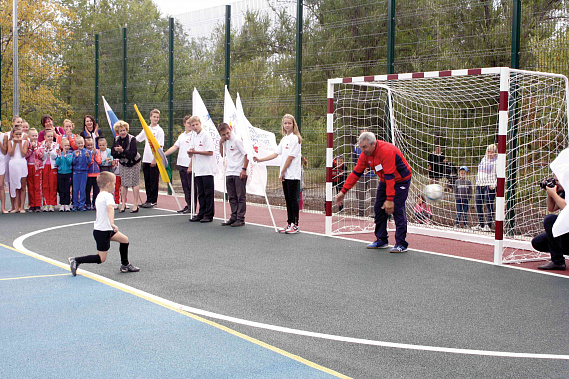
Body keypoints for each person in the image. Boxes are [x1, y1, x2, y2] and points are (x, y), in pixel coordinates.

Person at [335, 132, 412, 252]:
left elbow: (390, 176)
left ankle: (401, 244)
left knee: (396, 208)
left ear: (373, 144)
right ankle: (381, 240)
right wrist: (343, 191)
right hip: (385, 180)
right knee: (378, 208)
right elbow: (356, 173)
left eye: (365, 147)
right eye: (361, 147)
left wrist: (390, 199)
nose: (362, 150)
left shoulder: (386, 151)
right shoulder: (365, 155)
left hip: (401, 180)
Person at [68, 171, 140, 276]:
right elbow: (110, 208)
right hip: (102, 231)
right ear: (108, 184)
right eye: (114, 183)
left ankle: (125, 264)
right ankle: (76, 260)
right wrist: (112, 223)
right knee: (101, 258)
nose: (115, 186)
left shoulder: (100, 195)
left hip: (105, 230)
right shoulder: (108, 195)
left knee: (124, 240)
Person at [254, 114, 302, 234]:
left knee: (292, 199)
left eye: (289, 123)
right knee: (287, 198)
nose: (287, 125)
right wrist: (260, 159)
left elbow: (290, 158)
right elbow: (275, 154)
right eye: (285, 123)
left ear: (293, 124)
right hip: (285, 174)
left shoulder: (295, 139)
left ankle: (295, 225)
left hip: (292, 174)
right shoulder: (284, 139)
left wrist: (283, 171)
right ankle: (289, 223)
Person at [532, 175, 568, 270]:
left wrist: (554, 194)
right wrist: (550, 193)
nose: (555, 183)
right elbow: (551, 208)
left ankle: (558, 261)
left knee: (550, 220)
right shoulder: (565, 191)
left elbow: (566, 208)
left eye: (557, 181)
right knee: (538, 242)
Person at [163, 115, 196, 214]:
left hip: (190, 165)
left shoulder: (194, 136)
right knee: (185, 186)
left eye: (191, 123)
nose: (190, 125)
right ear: (184, 124)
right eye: (188, 123)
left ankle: (193, 206)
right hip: (181, 164)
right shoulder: (181, 136)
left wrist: (191, 164)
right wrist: (163, 155)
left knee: (191, 187)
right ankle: (188, 204)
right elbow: (174, 147)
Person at [218, 122, 249, 227]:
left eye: (227, 133)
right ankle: (233, 217)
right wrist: (221, 143)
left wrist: (244, 169)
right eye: (223, 135)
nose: (227, 136)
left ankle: (240, 219)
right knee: (231, 196)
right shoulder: (225, 141)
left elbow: (246, 154)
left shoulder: (237, 140)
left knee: (240, 196)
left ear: (230, 129)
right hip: (229, 171)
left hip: (239, 172)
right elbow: (223, 155)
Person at [187, 116, 216, 223]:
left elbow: (210, 152)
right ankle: (201, 212)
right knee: (201, 193)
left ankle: (209, 214)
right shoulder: (194, 135)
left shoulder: (206, 135)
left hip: (207, 169)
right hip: (198, 169)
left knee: (208, 192)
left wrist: (196, 152)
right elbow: (192, 150)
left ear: (200, 123)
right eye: (193, 125)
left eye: (196, 124)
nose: (195, 127)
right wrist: (190, 153)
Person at [111, 120, 141, 214]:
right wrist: (119, 153)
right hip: (123, 163)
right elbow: (113, 153)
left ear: (127, 130)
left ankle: (135, 204)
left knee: (134, 182)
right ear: (118, 132)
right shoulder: (116, 139)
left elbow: (133, 153)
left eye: (124, 130)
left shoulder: (132, 139)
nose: (123, 132)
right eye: (120, 131)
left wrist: (122, 151)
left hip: (134, 162)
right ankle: (123, 203)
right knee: (124, 183)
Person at [136, 109, 164, 208]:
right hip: (146, 159)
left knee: (153, 180)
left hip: (154, 160)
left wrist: (155, 160)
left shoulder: (160, 130)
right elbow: (137, 139)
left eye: (157, 117)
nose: (156, 119)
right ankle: (148, 199)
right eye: (154, 117)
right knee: (147, 180)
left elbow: (160, 147)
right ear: (150, 117)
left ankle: (153, 200)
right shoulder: (146, 129)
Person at [472, 144, 497, 232]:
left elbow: (499, 175)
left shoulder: (496, 161)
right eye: (488, 151)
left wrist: (493, 185)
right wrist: (477, 183)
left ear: (495, 153)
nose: (489, 153)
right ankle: (481, 224)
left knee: (489, 205)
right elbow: (479, 172)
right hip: (480, 185)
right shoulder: (483, 159)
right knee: (478, 205)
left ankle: (489, 225)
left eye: (492, 151)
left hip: (489, 185)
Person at [353, 131, 378, 217]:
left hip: (372, 174)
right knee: (360, 195)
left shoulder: (373, 146)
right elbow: (354, 160)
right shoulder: (356, 147)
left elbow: (377, 159)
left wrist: (369, 168)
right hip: (361, 175)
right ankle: (360, 213)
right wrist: (361, 168)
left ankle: (373, 213)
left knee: (374, 194)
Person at [8, 126, 29, 213]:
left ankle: (22, 207)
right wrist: (15, 143)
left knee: (23, 186)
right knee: (16, 186)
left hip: (22, 164)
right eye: (16, 134)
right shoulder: (10, 142)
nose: (18, 136)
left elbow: (24, 153)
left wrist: (20, 143)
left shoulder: (25, 142)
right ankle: (16, 207)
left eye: (20, 134)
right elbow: (11, 153)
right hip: (13, 164)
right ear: (13, 134)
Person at [25, 129, 44, 212]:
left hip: (37, 168)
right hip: (29, 166)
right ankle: (32, 204)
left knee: (37, 186)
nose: (34, 137)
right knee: (30, 186)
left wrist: (35, 148)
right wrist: (30, 148)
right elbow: (25, 155)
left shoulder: (40, 144)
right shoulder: (27, 145)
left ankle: (38, 204)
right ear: (29, 137)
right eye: (33, 136)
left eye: (36, 135)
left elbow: (41, 155)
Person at [40, 129, 59, 212]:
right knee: (45, 185)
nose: (50, 138)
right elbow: (42, 156)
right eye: (48, 136)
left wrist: (50, 149)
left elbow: (55, 156)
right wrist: (45, 149)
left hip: (53, 167)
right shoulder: (42, 145)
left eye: (51, 136)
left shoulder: (56, 145)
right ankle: (46, 203)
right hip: (44, 167)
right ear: (44, 137)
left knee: (52, 185)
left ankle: (52, 204)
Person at [72, 136, 91, 212]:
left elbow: (89, 162)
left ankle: (82, 204)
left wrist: (87, 157)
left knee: (83, 189)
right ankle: (75, 204)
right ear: (76, 144)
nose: (80, 145)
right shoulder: (74, 152)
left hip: (84, 172)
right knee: (75, 189)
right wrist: (76, 157)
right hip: (76, 173)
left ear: (84, 143)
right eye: (79, 143)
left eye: (82, 143)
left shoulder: (87, 152)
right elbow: (73, 163)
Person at [55, 138, 74, 212]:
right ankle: (62, 204)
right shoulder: (59, 154)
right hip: (60, 173)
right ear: (62, 146)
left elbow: (70, 162)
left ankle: (67, 204)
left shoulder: (70, 154)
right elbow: (57, 163)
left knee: (67, 189)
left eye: (68, 145)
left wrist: (66, 156)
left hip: (68, 173)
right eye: (65, 145)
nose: (67, 147)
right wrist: (60, 156)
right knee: (61, 189)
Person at [84, 137, 102, 210]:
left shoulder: (97, 151)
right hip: (88, 174)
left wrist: (95, 156)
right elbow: (88, 163)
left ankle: (95, 203)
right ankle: (88, 203)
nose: (90, 146)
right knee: (87, 189)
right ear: (85, 145)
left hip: (96, 174)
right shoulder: (85, 152)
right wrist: (91, 156)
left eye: (91, 145)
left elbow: (99, 161)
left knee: (96, 190)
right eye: (88, 145)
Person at [0, 127, 8, 213]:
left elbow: (5, 151)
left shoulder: (4, 136)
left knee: (1, 185)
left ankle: (3, 208)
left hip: (1, 161)